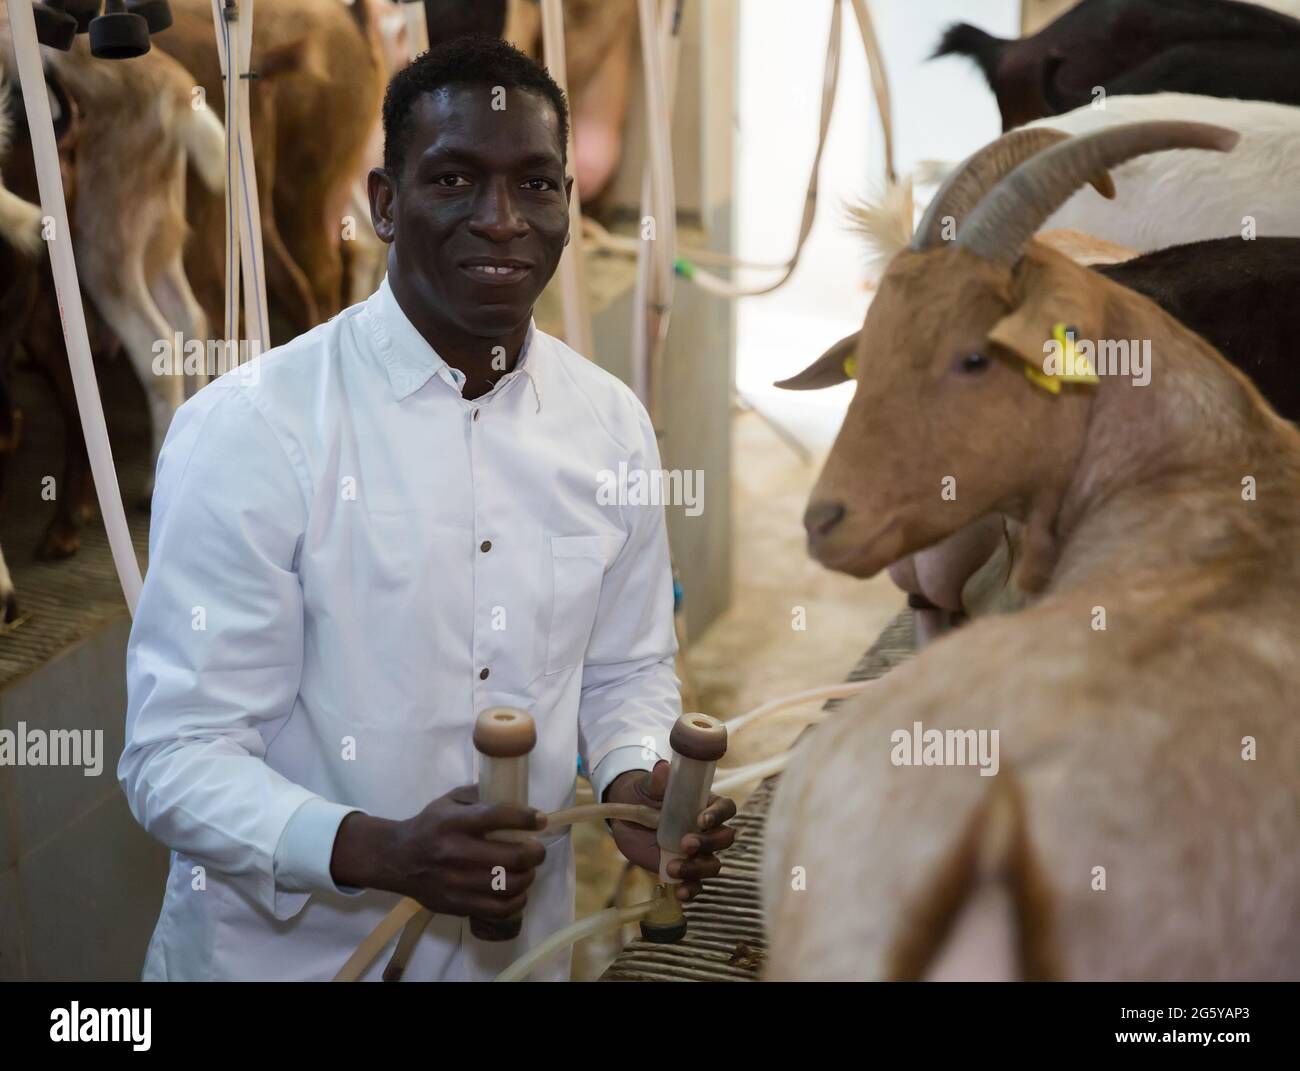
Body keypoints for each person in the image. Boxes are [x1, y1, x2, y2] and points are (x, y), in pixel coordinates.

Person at [119, 35, 734, 981]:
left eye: (535, 184)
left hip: (519, 959)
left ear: (568, 205)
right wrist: (374, 848)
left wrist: (632, 780)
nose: (501, 220)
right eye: (454, 179)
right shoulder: (252, 433)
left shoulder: (610, 426)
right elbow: (174, 757)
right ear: (384, 205)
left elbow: (625, 673)